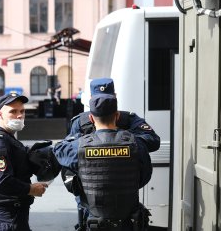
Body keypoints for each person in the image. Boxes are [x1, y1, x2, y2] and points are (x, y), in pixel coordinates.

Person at [54, 93, 152, 230]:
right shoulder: (136, 144)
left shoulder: (79, 147)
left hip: (94, 222)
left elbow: (58, 150)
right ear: (117, 116)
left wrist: (78, 136)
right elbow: (145, 176)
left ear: (90, 118)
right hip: (128, 223)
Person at [0, 93, 49, 231]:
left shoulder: (8, 139)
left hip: (13, 214)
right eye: (13, 111)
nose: (19, 115)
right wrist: (31, 189)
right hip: (6, 216)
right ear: (0, 115)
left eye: (22, 111)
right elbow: (2, 182)